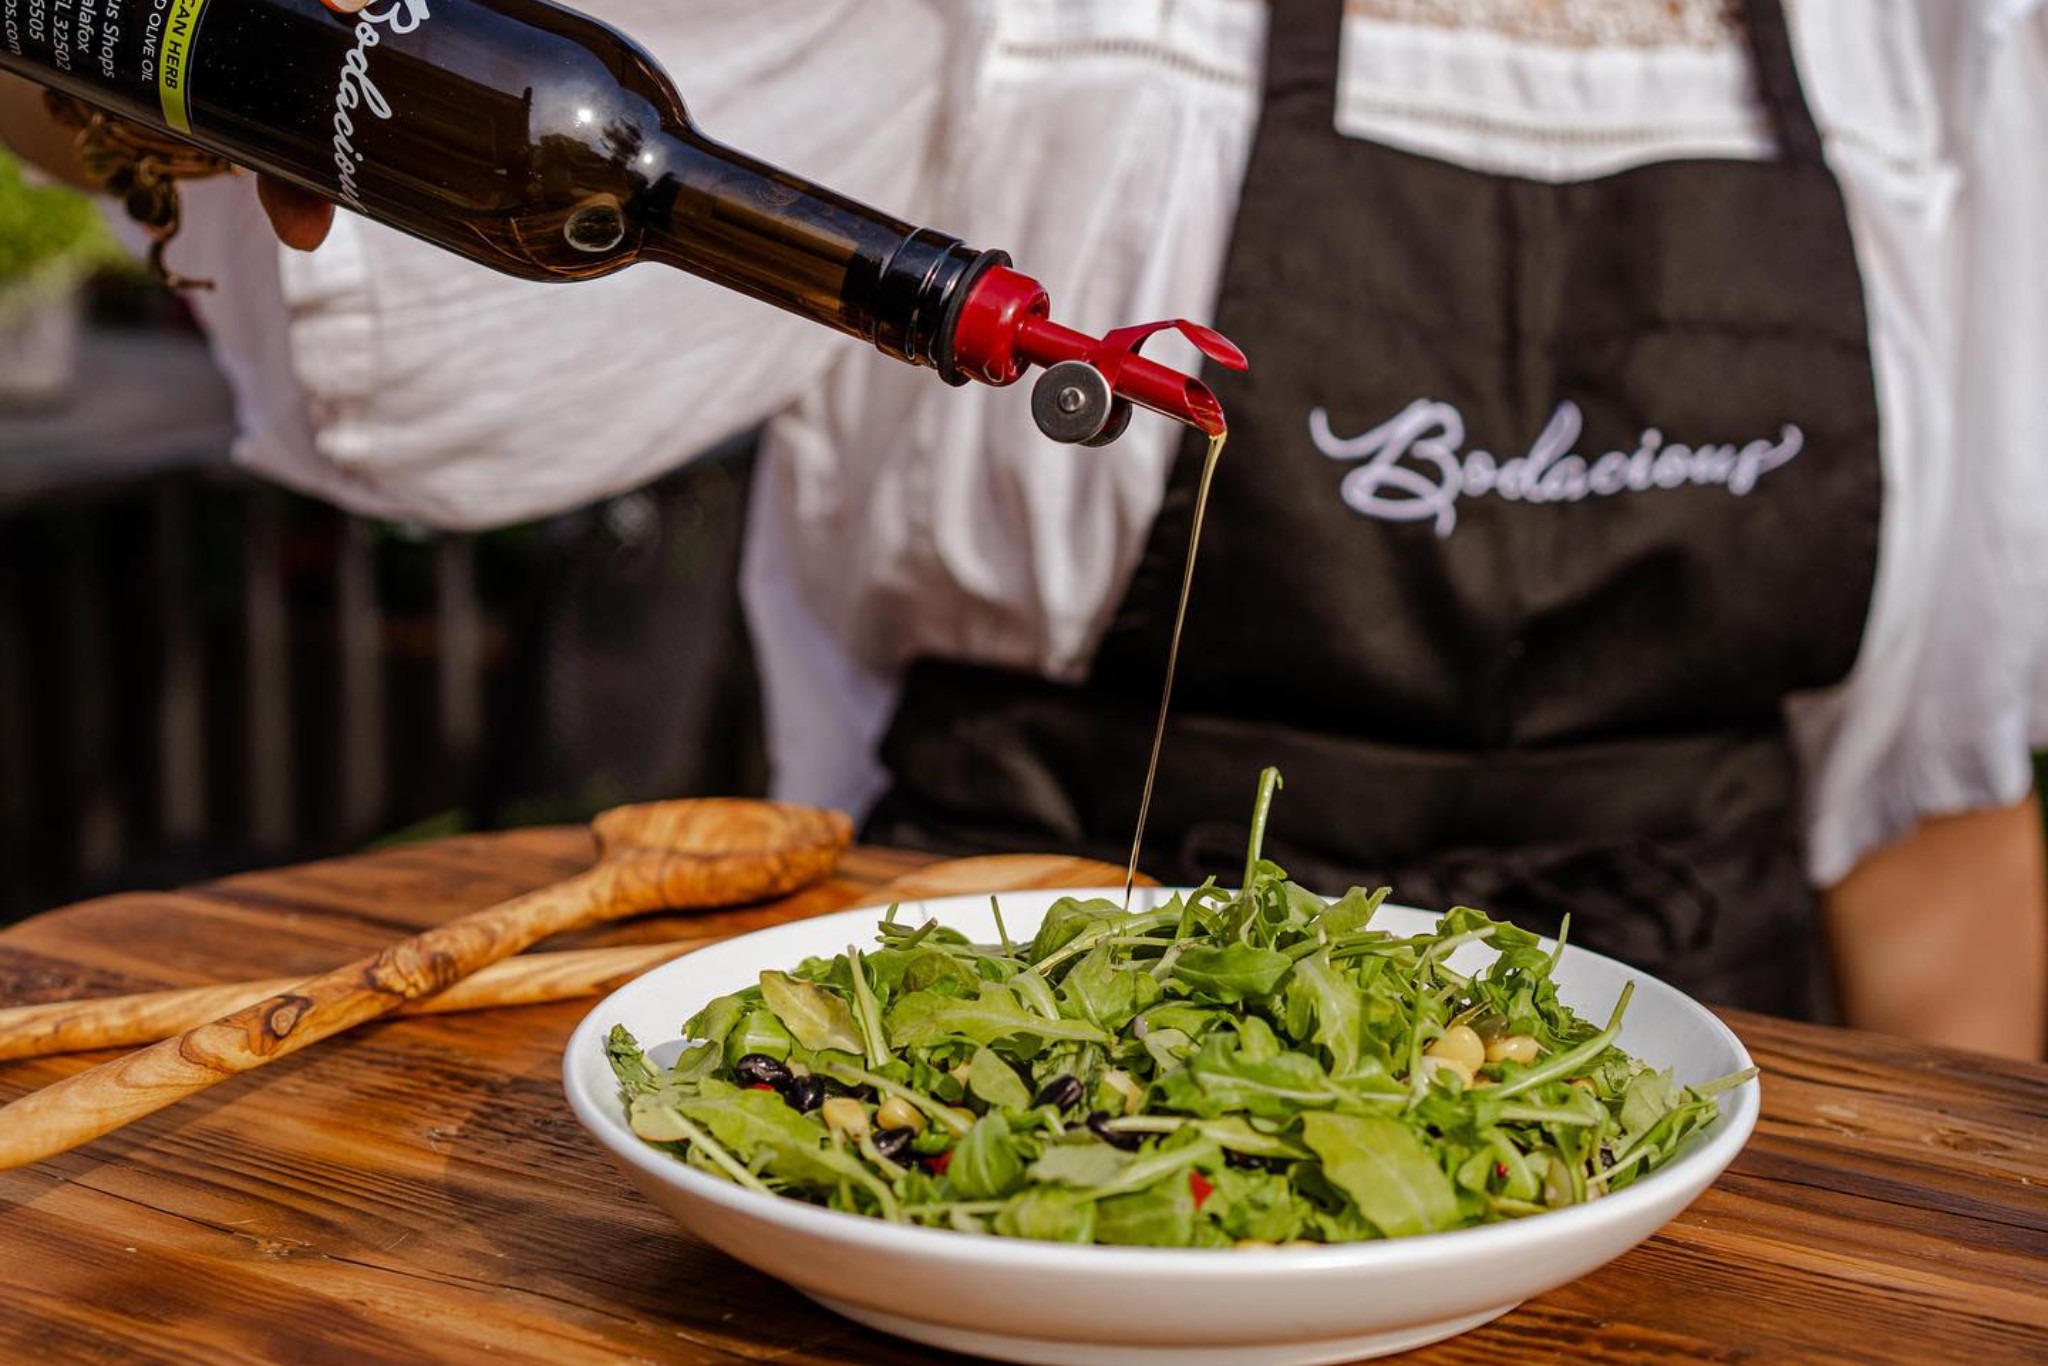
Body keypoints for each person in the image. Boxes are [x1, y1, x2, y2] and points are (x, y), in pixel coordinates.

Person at [3, 0, 2043, 1057]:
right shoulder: (1004, 25)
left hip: (1685, 1129)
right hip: (993, 1069)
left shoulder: (1929, 57)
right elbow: (417, 322)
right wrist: (106, 66)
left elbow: (1937, 852)